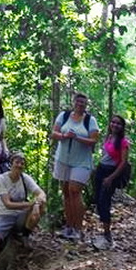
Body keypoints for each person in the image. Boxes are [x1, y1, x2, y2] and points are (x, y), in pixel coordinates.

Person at [51, 92, 99, 241]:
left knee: (75, 191)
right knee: (66, 192)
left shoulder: (90, 121)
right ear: (73, 102)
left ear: (86, 105)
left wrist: (77, 137)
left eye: (83, 103)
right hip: (63, 159)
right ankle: (69, 227)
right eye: (78, 102)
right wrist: (64, 136)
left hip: (82, 162)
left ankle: (78, 229)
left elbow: (93, 140)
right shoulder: (63, 116)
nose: (80, 104)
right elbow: (53, 133)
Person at [0, 152, 47, 265]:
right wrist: (29, 204)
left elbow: (41, 193)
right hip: (4, 216)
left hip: (21, 216)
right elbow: (8, 204)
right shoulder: (2, 178)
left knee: (41, 206)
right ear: (11, 164)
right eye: (17, 162)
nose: (19, 165)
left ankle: (25, 235)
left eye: (22, 163)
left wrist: (36, 204)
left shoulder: (25, 178)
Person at [93, 114, 130, 249]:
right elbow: (105, 155)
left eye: (118, 123)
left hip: (111, 173)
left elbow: (123, 163)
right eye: (113, 122)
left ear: (122, 127)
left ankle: (107, 234)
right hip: (100, 170)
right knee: (97, 199)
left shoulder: (123, 143)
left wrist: (111, 177)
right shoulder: (108, 137)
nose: (115, 125)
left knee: (104, 202)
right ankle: (103, 230)